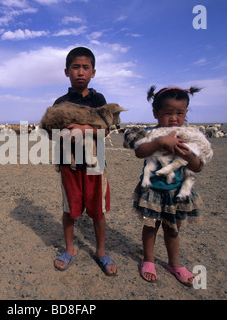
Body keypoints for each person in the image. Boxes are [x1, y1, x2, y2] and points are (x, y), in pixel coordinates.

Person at [52, 47, 117, 276]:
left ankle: (100, 251)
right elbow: (52, 130)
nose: (80, 72)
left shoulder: (99, 100)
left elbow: (106, 130)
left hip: (94, 164)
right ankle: (70, 249)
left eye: (85, 67)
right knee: (69, 208)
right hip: (69, 165)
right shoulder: (60, 102)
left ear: (94, 72)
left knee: (98, 210)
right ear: (66, 71)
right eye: (75, 67)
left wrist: (82, 129)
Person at [131, 85, 205, 286]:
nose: (174, 118)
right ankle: (148, 260)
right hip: (153, 191)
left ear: (186, 113)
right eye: (167, 113)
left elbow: (198, 166)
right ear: (155, 113)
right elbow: (140, 151)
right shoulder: (151, 134)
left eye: (179, 113)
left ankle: (174, 264)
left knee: (172, 229)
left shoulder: (189, 136)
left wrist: (188, 154)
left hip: (176, 193)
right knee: (150, 227)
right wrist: (160, 141)